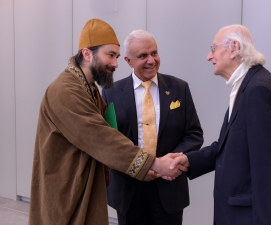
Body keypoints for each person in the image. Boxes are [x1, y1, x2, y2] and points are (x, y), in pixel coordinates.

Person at [28, 19, 185, 225]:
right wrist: (152, 164)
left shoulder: (88, 87)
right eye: (110, 55)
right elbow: (102, 137)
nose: (115, 64)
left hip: (84, 188)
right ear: (87, 53)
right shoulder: (65, 91)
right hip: (65, 193)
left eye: (117, 56)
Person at [170, 24, 271, 225]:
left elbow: (270, 168)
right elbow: (230, 146)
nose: (209, 56)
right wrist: (190, 160)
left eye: (213, 48)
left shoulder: (259, 90)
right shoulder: (246, 86)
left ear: (234, 47)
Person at [102, 30, 203, 225]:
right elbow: (108, 142)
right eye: (142, 56)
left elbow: (194, 135)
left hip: (169, 187)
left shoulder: (179, 88)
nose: (151, 60)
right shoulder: (111, 94)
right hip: (129, 190)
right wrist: (138, 167)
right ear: (128, 61)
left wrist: (169, 164)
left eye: (154, 53)